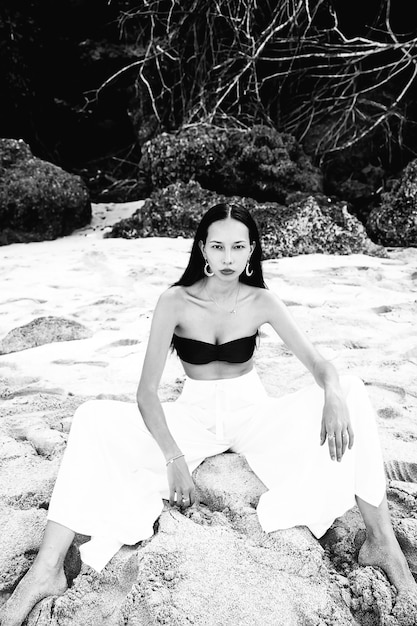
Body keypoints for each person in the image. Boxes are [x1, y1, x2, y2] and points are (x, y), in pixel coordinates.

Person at [1, 202, 415, 626]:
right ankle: (47, 568)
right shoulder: (175, 301)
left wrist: (331, 392)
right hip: (193, 420)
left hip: (255, 418)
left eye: (238, 247)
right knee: (90, 417)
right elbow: (146, 392)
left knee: (352, 391)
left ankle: (381, 541)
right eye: (218, 246)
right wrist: (173, 457)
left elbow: (319, 363)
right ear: (202, 248)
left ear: (252, 249)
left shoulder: (262, 301)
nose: (228, 258)